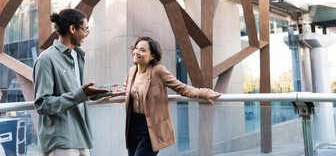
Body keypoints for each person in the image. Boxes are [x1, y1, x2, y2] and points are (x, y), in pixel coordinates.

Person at [32, 8, 125, 156]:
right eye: (85, 29)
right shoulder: (46, 59)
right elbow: (43, 104)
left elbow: (76, 93)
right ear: (72, 28)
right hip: (60, 141)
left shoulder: (77, 56)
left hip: (80, 135)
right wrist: (81, 94)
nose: (87, 34)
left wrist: (102, 92)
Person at [121, 36, 222, 155]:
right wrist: (107, 95)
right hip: (132, 125)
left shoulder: (158, 71)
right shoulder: (132, 71)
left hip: (151, 129)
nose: (136, 52)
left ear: (152, 56)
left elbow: (181, 88)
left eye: (142, 50)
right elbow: (123, 91)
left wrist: (203, 93)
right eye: (136, 48)